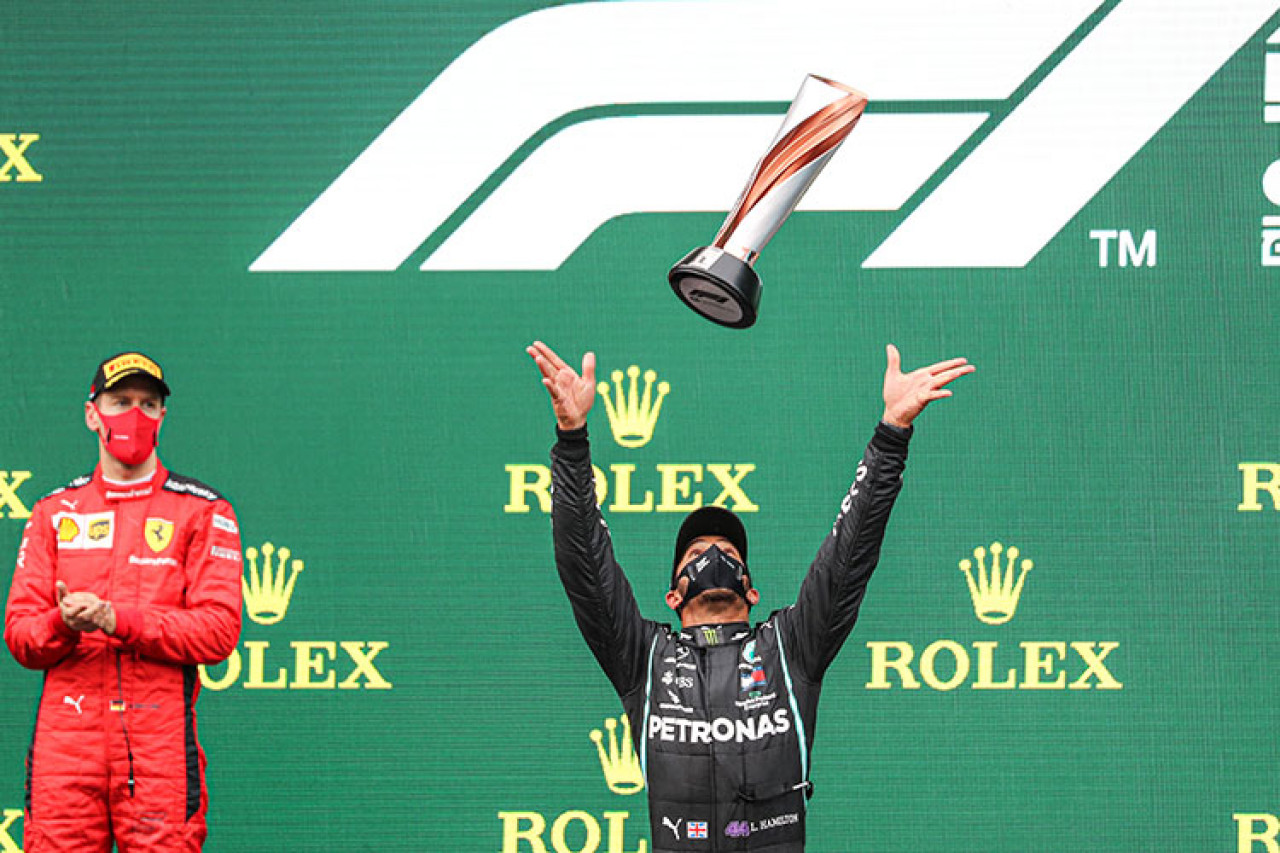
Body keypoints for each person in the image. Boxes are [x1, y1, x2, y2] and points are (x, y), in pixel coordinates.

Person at [527, 340, 973, 852]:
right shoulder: (643, 657)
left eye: (728, 552)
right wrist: (572, 440)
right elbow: (586, 565)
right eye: (697, 552)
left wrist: (891, 435)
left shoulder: (788, 647)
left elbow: (849, 556)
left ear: (752, 590)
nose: (714, 556)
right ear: (672, 596)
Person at [4, 352, 242, 852]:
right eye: (120, 402)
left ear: (162, 416)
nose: (135, 414)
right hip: (66, 750)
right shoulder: (53, 512)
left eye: (148, 404)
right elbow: (21, 637)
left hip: (158, 749)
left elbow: (218, 633)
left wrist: (118, 619)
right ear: (92, 414)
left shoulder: (203, 510)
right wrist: (62, 624)